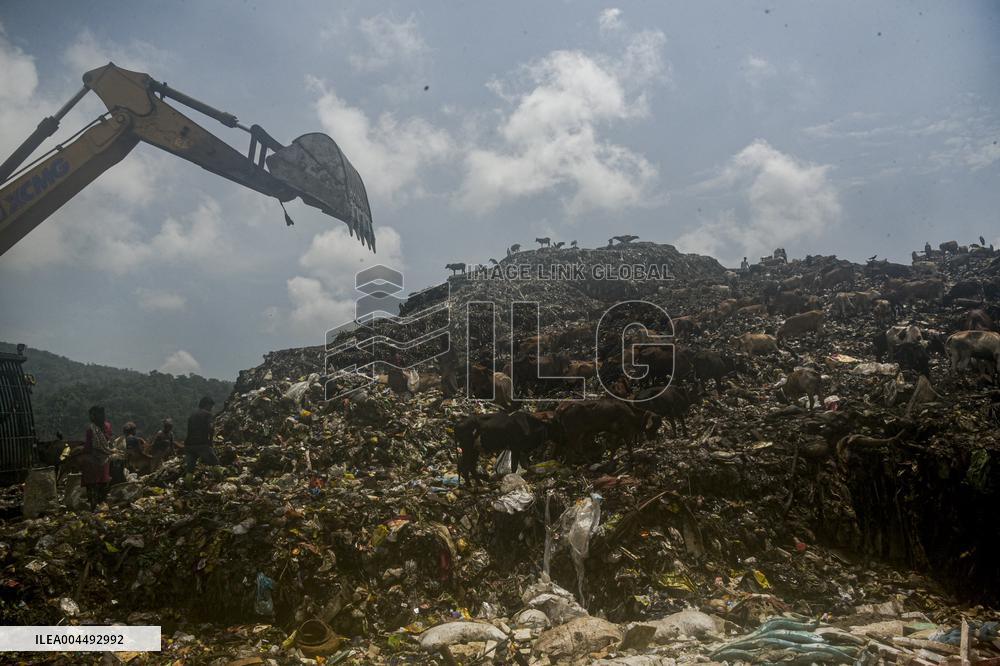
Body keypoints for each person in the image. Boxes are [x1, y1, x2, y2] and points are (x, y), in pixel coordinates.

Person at [82, 406, 112, 510]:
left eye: (91, 415)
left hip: (94, 461)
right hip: (106, 459)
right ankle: (102, 502)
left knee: (84, 465)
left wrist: (81, 451)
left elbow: (88, 447)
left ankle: (92, 504)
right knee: (103, 484)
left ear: (94, 416)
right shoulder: (107, 426)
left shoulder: (91, 429)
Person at [184, 396, 220, 476]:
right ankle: (222, 483)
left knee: (190, 470)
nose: (211, 408)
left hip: (189, 445)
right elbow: (211, 428)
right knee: (215, 463)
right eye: (211, 406)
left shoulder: (192, 415)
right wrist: (210, 441)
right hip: (201, 444)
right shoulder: (207, 414)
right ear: (207, 404)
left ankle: (188, 487)